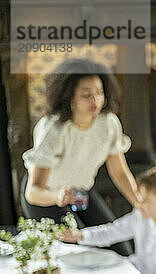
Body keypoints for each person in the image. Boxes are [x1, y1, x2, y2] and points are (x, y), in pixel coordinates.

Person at [22, 58, 142, 255]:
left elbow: (119, 172)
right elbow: (33, 192)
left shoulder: (109, 123)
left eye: (99, 93)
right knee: (78, 253)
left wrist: (140, 204)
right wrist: (58, 196)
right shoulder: (53, 128)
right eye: (86, 95)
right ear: (70, 97)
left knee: (120, 250)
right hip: (47, 199)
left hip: (81, 193)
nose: (95, 100)